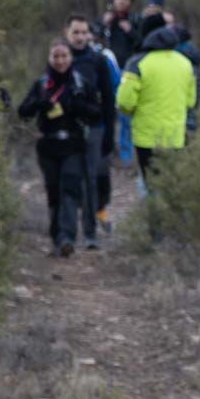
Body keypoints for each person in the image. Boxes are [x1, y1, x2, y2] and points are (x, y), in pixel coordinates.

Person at [17, 40, 102, 257]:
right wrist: (39, 104)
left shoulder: (81, 83)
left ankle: (68, 237)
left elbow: (96, 112)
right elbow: (23, 111)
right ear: (49, 58)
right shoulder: (41, 84)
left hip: (73, 144)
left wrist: (77, 106)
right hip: (48, 145)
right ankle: (57, 238)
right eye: (56, 56)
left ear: (70, 58)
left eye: (64, 56)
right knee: (54, 192)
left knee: (69, 188)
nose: (60, 60)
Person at [115, 25, 197, 190]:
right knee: (172, 185)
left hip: (146, 137)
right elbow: (190, 102)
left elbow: (124, 102)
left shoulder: (137, 63)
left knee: (151, 184)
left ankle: (151, 213)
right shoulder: (186, 64)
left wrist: (132, 113)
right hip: (175, 136)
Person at [64, 14, 118, 246]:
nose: (80, 37)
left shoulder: (98, 61)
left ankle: (89, 234)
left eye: (84, 32)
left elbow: (108, 99)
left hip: (94, 129)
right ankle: (65, 234)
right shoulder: (60, 59)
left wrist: (109, 135)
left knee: (90, 181)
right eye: (75, 32)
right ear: (67, 33)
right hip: (66, 130)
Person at [98, 0, 141, 163]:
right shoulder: (106, 21)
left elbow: (141, 42)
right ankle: (104, 152)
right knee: (104, 112)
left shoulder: (135, 21)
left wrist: (130, 31)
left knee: (126, 114)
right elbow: (93, 36)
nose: (122, 2)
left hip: (127, 72)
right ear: (113, 0)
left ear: (130, 2)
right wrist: (103, 25)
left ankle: (126, 155)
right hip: (107, 70)